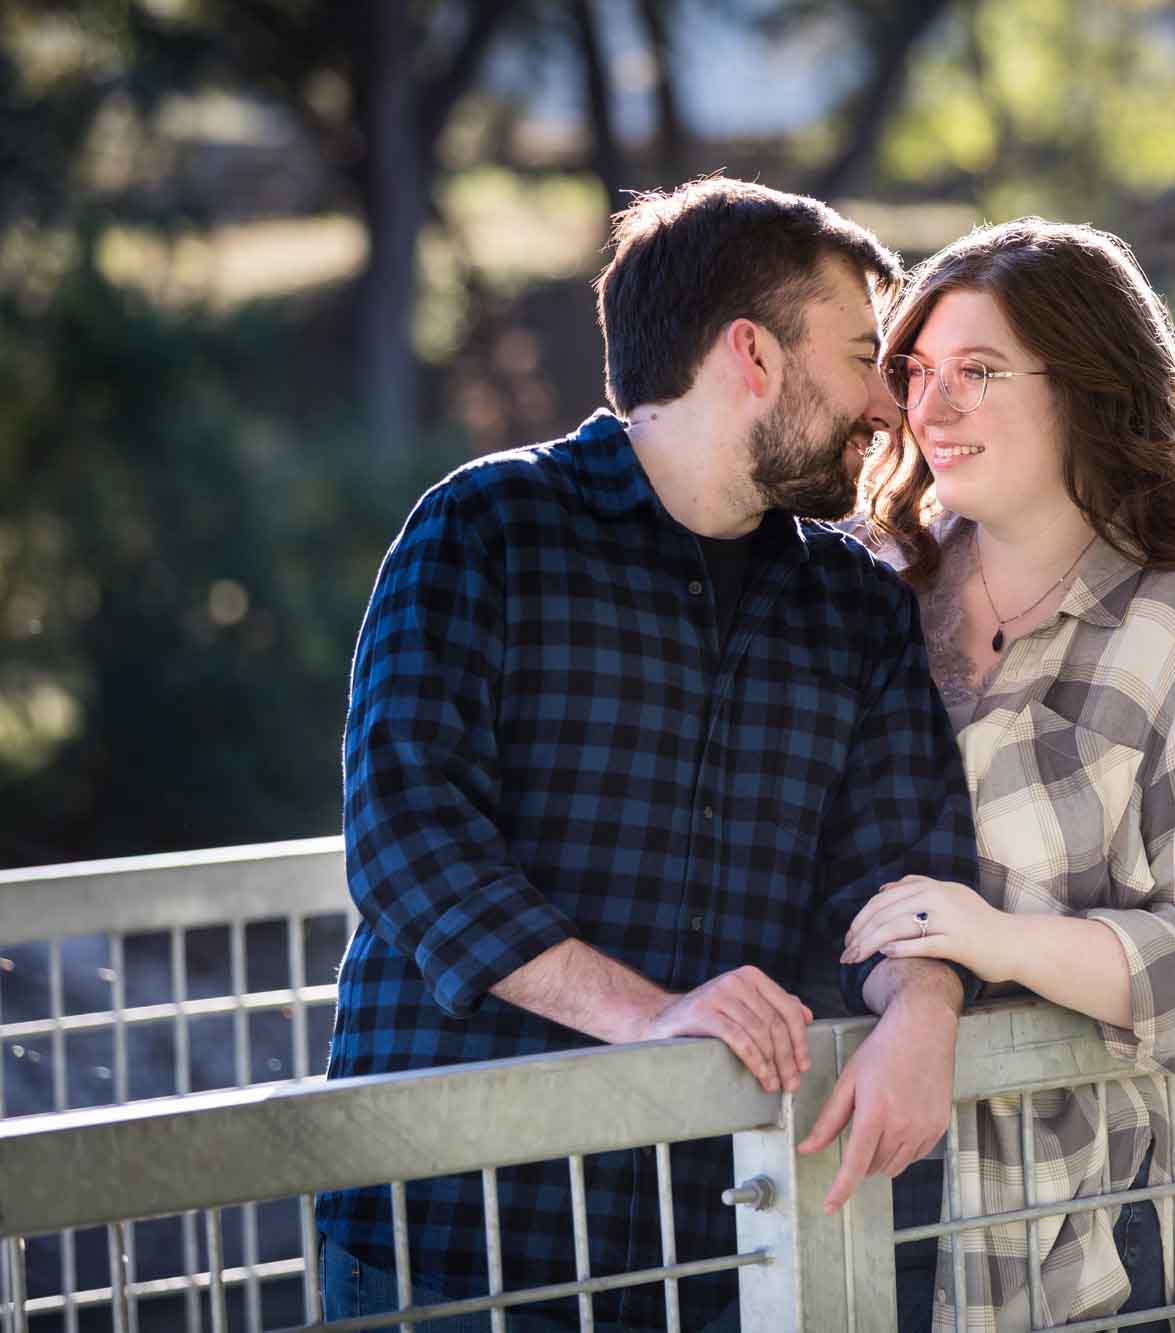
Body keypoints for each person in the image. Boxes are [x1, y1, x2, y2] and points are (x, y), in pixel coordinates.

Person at [319, 177, 980, 1331]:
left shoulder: (859, 605)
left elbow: (897, 873)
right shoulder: (483, 529)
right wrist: (650, 1016)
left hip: (721, 1237)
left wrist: (923, 1012)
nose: (887, 401)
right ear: (752, 354)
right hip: (461, 1230)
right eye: (864, 353)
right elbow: (406, 843)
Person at [844, 219, 1175, 1332]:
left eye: (978, 372)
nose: (931, 408)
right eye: (917, 373)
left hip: (1088, 1222)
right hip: (870, 1198)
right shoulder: (879, 584)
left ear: (1086, 389)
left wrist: (998, 940)